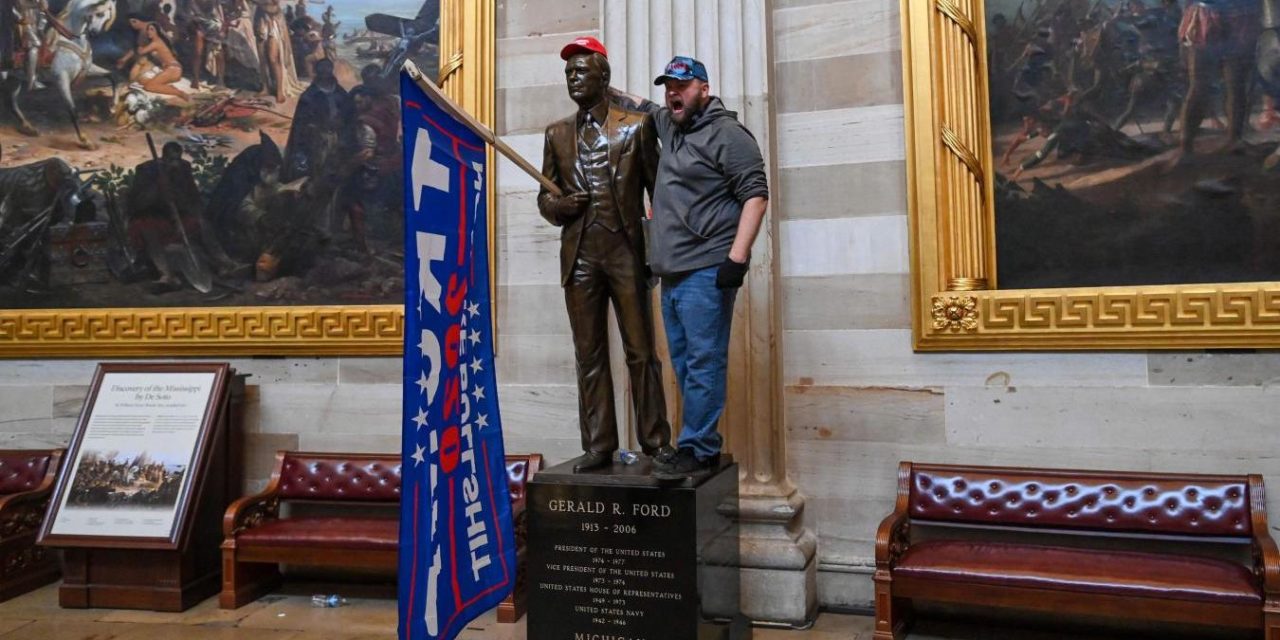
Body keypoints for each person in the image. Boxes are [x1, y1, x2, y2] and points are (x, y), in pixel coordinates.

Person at [616, 56, 769, 478]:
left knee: (704, 361)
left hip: (708, 268)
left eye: (681, 85)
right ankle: (700, 441)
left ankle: (699, 447)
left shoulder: (727, 134)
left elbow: (756, 195)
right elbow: (643, 105)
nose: (672, 92)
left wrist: (736, 260)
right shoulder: (671, 125)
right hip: (673, 272)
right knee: (684, 362)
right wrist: (603, 85)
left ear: (704, 88)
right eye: (669, 86)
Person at [536, 37, 674, 473]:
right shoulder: (556, 133)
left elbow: (660, 195)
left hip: (625, 253)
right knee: (589, 354)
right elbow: (545, 198)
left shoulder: (636, 126)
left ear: (603, 76)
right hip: (579, 259)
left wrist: (663, 254)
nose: (573, 79)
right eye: (568, 73)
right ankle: (598, 445)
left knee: (641, 350)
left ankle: (655, 442)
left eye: (581, 71)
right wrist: (559, 206)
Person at [117, 14, 189, 102]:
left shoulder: (156, 43)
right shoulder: (154, 42)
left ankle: (179, 93)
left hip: (173, 69)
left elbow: (140, 51)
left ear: (157, 32)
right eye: (148, 30)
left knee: (149, 87)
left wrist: (139, 45)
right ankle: (165, 87)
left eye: (152, 30)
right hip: (168, 69)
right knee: (142, 81)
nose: (149, 32)